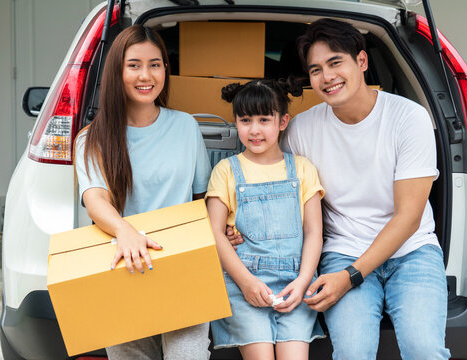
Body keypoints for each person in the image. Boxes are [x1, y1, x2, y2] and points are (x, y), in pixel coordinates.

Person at [279, 18, 451, 359]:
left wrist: (350, 277)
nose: (326, 77)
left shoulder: (408, 118)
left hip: (411, 250)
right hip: (343, 250)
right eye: (315, 70)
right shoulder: (301, 130)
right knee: (353, 352)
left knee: (424, 349)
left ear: (361, 61)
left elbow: (409, 217)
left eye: (335, 62)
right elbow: (277, 191)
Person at [74, 25, 212, 360]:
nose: (145, 75)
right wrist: (126, 232)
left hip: (181, 264)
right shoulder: (91, 138)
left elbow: (202, 198)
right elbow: (96, 198)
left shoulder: (185, 126)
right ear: (116, 71)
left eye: (155, 64)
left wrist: (222, 229)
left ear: (166, 69)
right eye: (133, 65)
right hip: (123, 265)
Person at [206, 78, 325, 360]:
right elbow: (214, 233)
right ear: (235, 122)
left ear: (283, 121)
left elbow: (313, 233)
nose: (255, 130)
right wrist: (246, 283)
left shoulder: (302, 168)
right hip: (243, 283)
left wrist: (304, 281)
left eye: (264, 119)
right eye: (245, 120)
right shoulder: (226, 171)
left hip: (294, 283)